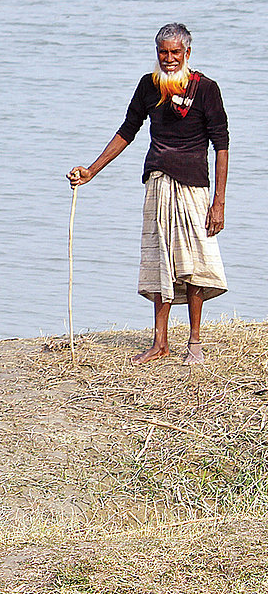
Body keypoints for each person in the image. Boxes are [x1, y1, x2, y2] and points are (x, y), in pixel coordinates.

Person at [67, 23, 228, 366]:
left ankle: (195, 343)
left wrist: (219, 203)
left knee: (194, 264)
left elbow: (222, 145)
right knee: (160, 263)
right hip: (157, 181)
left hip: (194, 187)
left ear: (188, 53)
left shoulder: (206, 90)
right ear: (157, 53)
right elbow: (128, 130)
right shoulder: (148, 85)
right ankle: (160, 343)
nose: (169, 58)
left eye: (175, 52)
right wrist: (92, 171)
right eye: (163, 52)